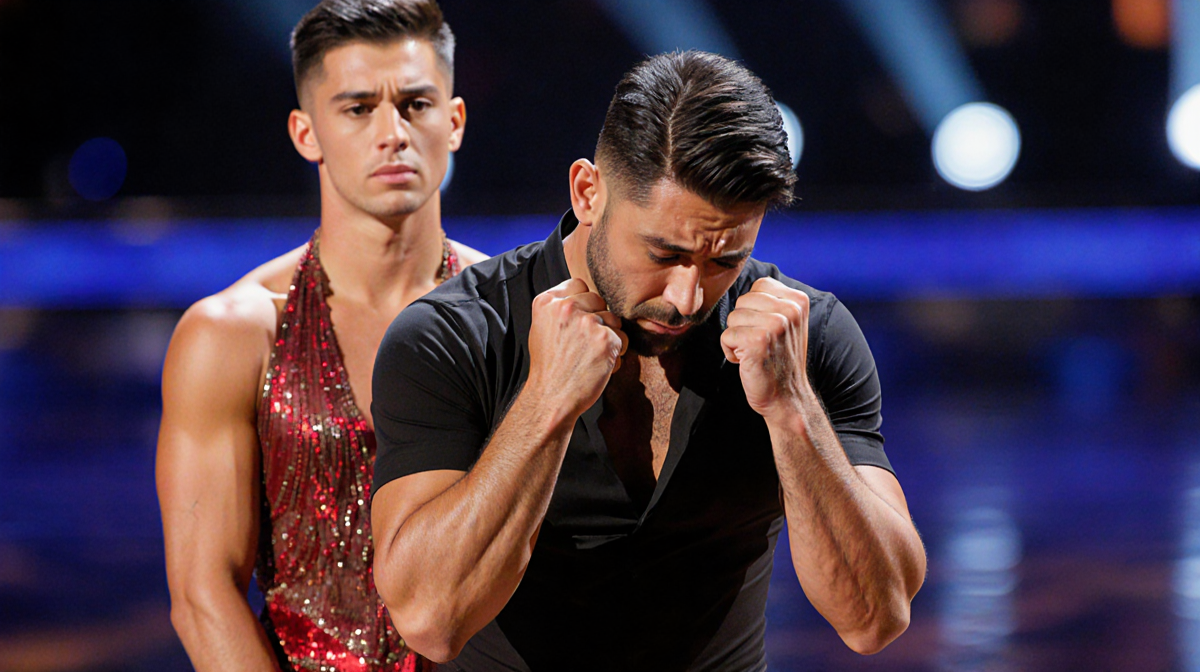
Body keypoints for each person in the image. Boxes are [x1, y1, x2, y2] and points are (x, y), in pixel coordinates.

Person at [369, 50, 927, 671]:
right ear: (588, 192)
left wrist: (792, 409)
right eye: (663, 253)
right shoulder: (452, 335)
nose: (687, 297)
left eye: (724, 261)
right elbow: (429, 621)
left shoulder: (803, 334)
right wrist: (547, 401)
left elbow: (876, 619)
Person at [155, 1, 484, 670]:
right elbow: (202, 594)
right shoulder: (234, 333)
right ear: (307, 133)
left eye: (415, 104)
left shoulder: (516, 313)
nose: (392, 132)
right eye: (359, 108)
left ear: (453, 122)